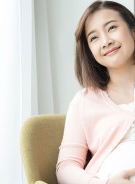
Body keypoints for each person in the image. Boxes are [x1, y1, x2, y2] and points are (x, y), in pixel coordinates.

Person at [56, 1, 135, 184]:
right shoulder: (84, 102)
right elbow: (66, 166)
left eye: (112, 27)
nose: (106, 41)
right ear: (89, 51)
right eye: (94, 38)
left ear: (133, 31)